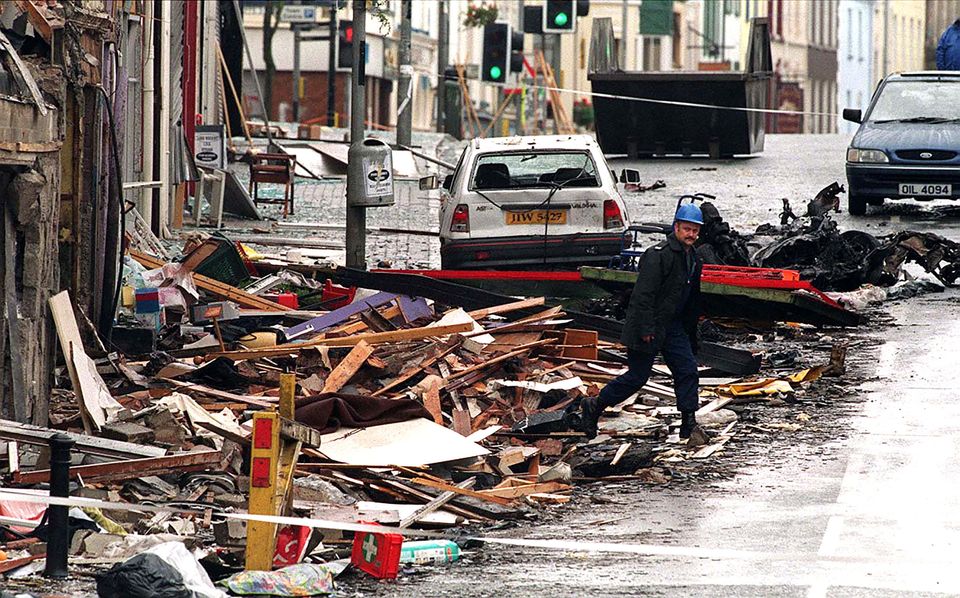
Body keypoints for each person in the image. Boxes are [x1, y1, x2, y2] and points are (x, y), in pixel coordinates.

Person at [580, 203, 704, 439]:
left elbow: (692, 297)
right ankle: (595, 405)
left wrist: (691, 332)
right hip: (647, 323)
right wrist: (646, 328)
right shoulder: (658, 255)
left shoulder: (693, 258)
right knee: (638, 376)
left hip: (674, 326)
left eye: (695, 231)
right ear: (676, 227)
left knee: (687, 370)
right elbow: (642, 295)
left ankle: (689, 424)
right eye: (687, 229)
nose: (691, 235)